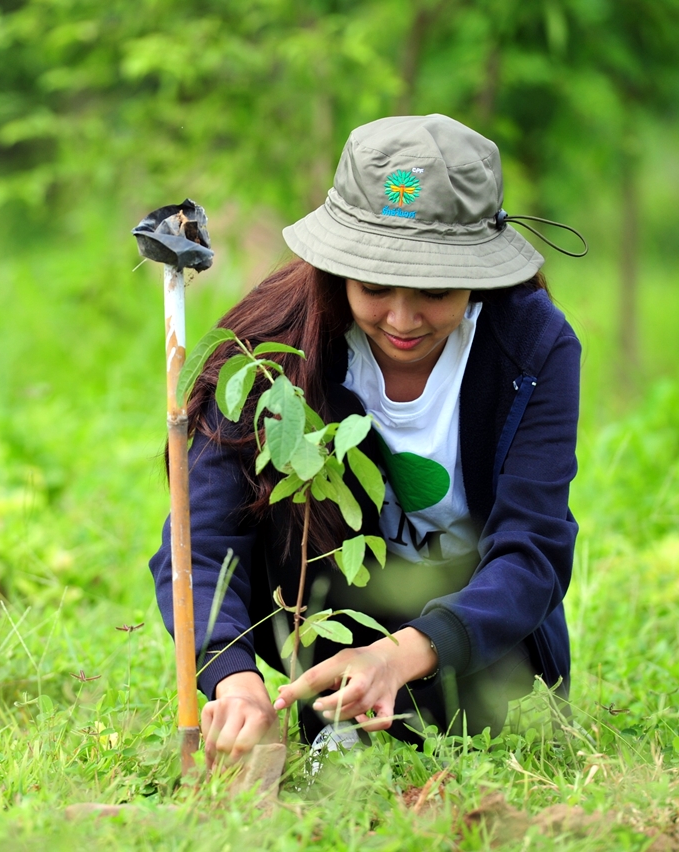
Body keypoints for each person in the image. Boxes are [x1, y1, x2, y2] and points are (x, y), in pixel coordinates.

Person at [149, 114, 582, 765]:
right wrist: (233, 678)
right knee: (342, 748)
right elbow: (202, 539)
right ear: (338, 267)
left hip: (477, 645)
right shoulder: (272, 346)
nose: (403, 319)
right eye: (375, 287)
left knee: (463, 729)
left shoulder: (532, 347)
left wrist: (396, 655)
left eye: (435, 291)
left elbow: (533, 551)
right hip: (324, 629)